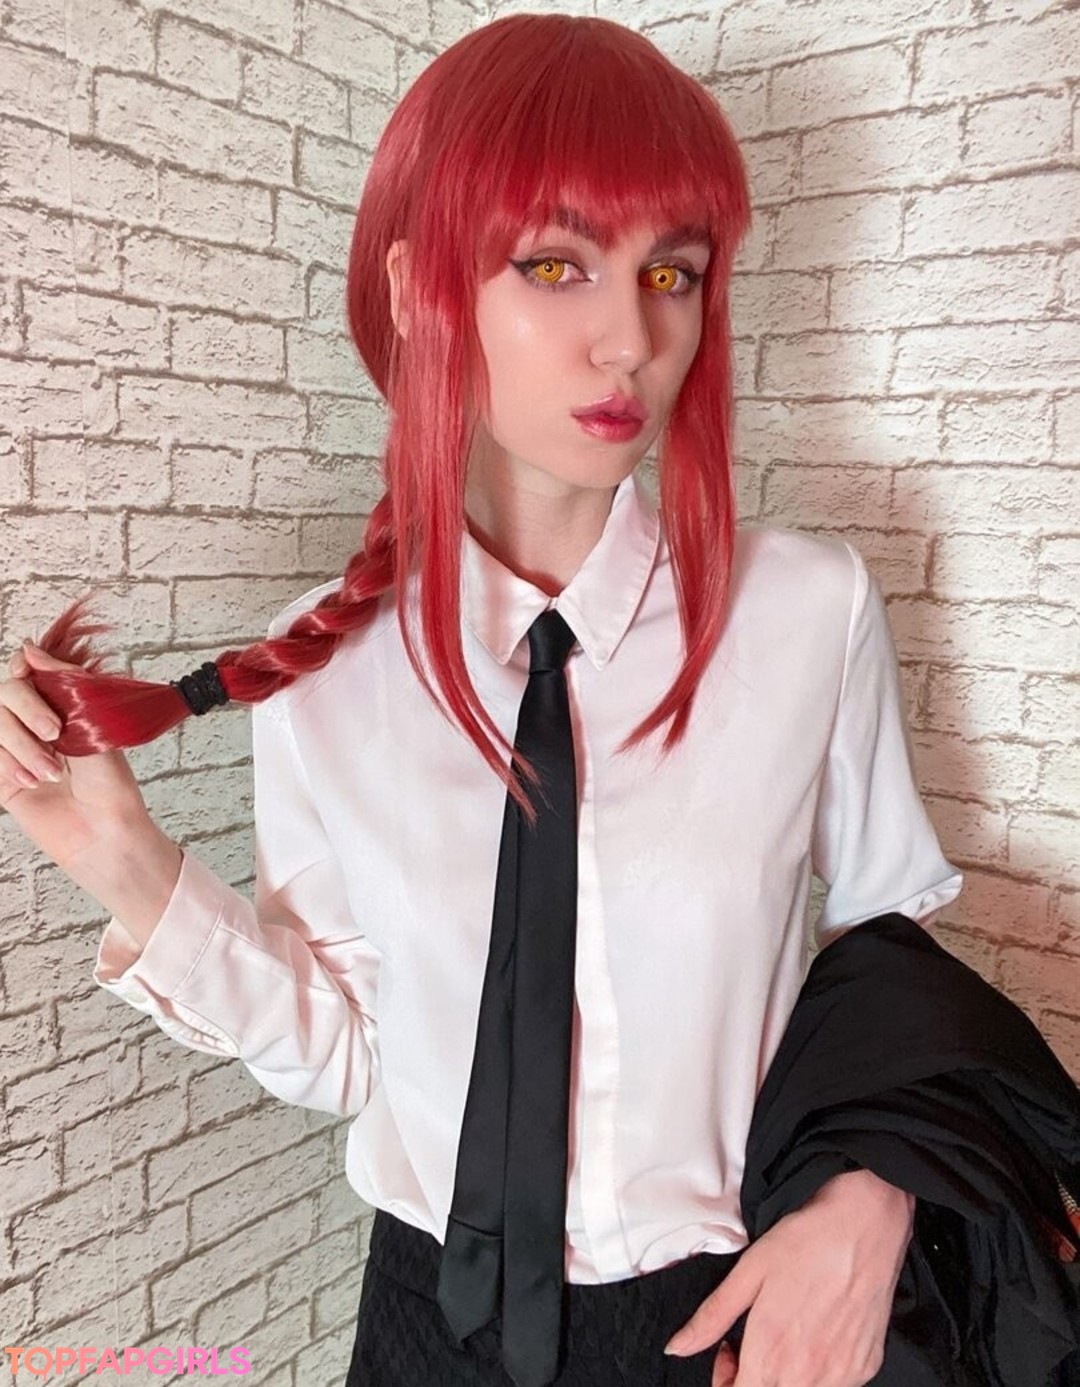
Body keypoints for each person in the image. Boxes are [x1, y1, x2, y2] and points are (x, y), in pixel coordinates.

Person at [0, 13, 968, 1387]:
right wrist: (129, 867)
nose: (630, 339)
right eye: (556, 264)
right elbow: (354, 1053)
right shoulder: (321, 668)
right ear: (419, 290)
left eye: (673, 272)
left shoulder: (808, 614)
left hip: (733, 1317)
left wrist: (869, 1206)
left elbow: (891, 951)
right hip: (423, 1324)